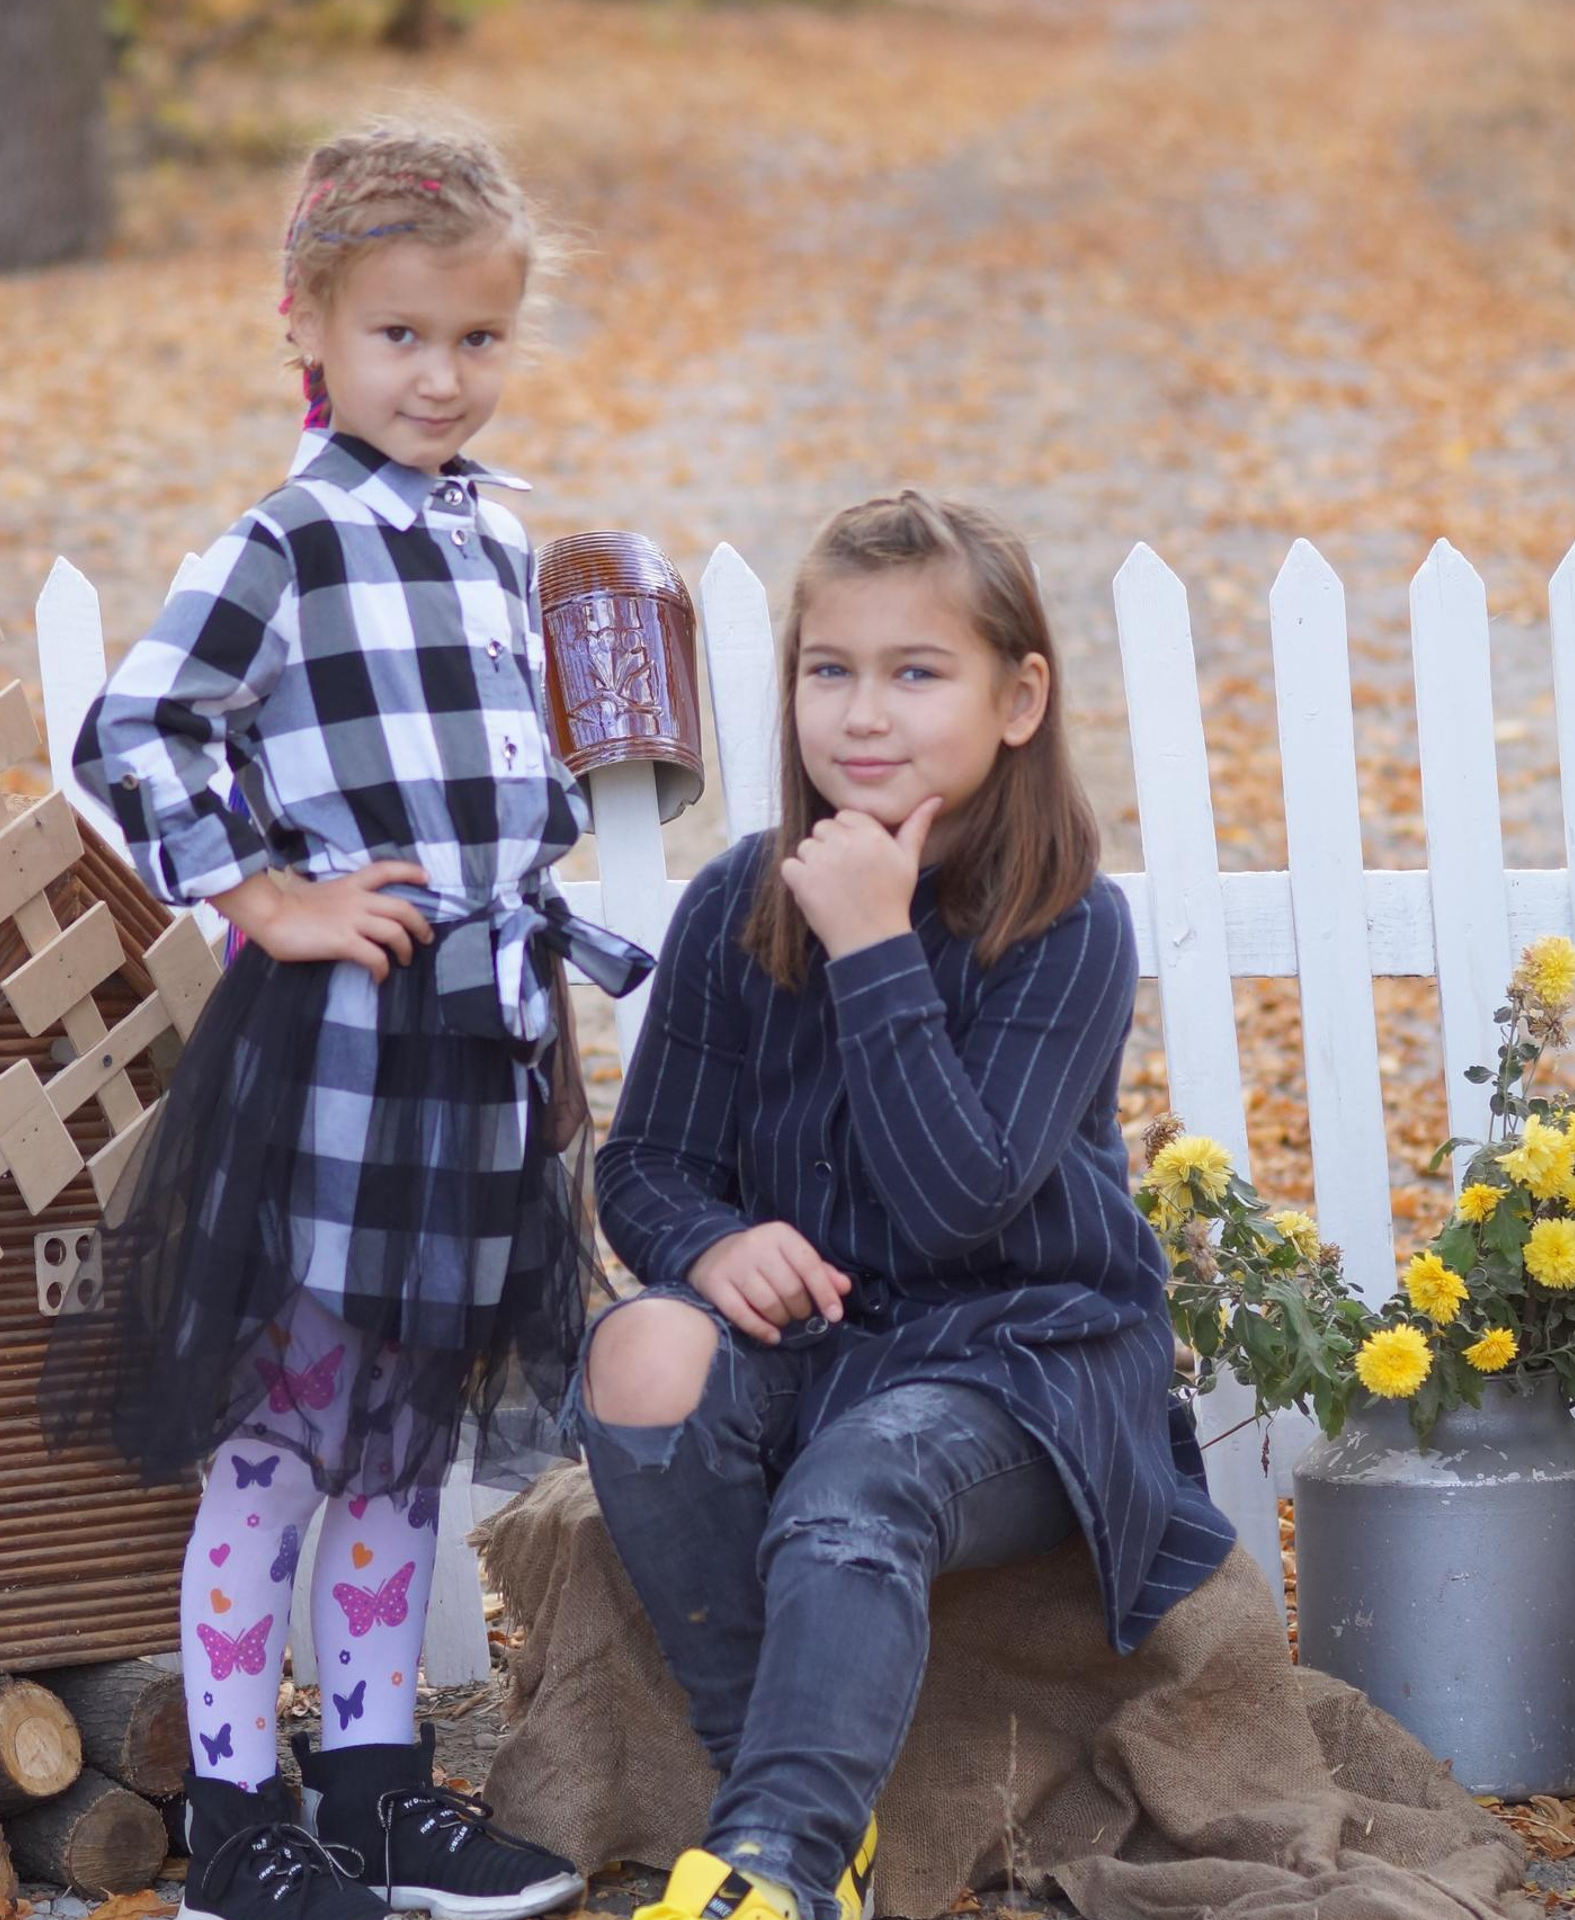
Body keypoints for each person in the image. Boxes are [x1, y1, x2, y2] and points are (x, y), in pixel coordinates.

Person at [65, 120, 651, 1920]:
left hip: (472, 1037)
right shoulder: (290, 536)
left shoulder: (495, 531)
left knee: (413, 1421)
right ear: (308, 328)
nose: (443, 374)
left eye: (478, 337)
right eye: (402, 335)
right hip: (338, 1046)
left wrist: (543, 992)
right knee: (297, 1418)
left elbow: (503, 787)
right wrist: (268, 896)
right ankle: (243, 1819)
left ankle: (382, 1791)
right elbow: (133, 727)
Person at [574, 491, 1238, 1920]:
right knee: (639, 1350)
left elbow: (959, 1204)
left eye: (915, 672)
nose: (863, 715)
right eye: (831, 671)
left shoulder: (1066, 924)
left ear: (1019, 699)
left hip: (1021, 1362)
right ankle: (794, 1817)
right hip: (817, 1341)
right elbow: (642, 1167)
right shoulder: (740, 902)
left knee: (861, 1484)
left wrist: (875, 945)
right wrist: (711, 1242)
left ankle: (778, 1864)